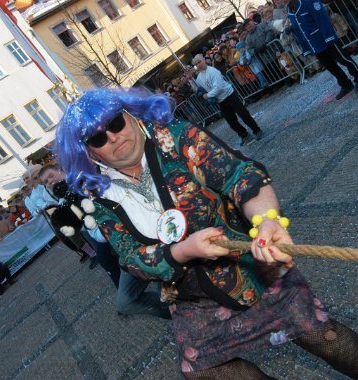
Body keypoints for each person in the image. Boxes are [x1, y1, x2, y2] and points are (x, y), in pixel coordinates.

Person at [54, 88, 358, 379]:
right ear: (88, 152)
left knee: (320, 334)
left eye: (115, 123)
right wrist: (183, 251)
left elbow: (239, 175)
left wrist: (267, 219)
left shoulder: (176, 139)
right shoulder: (99, 197)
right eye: (97, 137)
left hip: (249, 268)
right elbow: (131, 257)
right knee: (202, 370)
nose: (112, 137)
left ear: (130, 114)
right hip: (193, 298)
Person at [39, 164, 168, 318]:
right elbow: (95, 234)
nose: (50, 182)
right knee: (126, 302)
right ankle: (171, 311)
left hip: (149, 237)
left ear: (60, 171)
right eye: (46, 182)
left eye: (51, 176)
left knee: (166, 285)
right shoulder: (65, 202)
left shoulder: (87, 179)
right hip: (125, 249)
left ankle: (178, 309)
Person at [287, 0, 358, 100]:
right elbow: (299, 31)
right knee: (330, 66)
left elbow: (322, 18)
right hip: (314, 44)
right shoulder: (289, 10)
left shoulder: (307, 1)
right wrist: (306, 48)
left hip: (325, 38)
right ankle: (346, 84)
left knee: (343, 59)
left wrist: (328, 36)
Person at [192, 54, 263, 146]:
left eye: (199, 61)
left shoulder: (213, 71)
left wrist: (207, 95)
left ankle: (257, 130)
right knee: (231, 122)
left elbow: (219, 87)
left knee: (243, 114)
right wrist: (190, 79)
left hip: (229, 94)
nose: (198, 64)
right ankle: (244, 135)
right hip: (221, 101)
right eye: (196, 63)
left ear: (204, 60)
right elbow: (197, 89)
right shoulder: (199, 78)